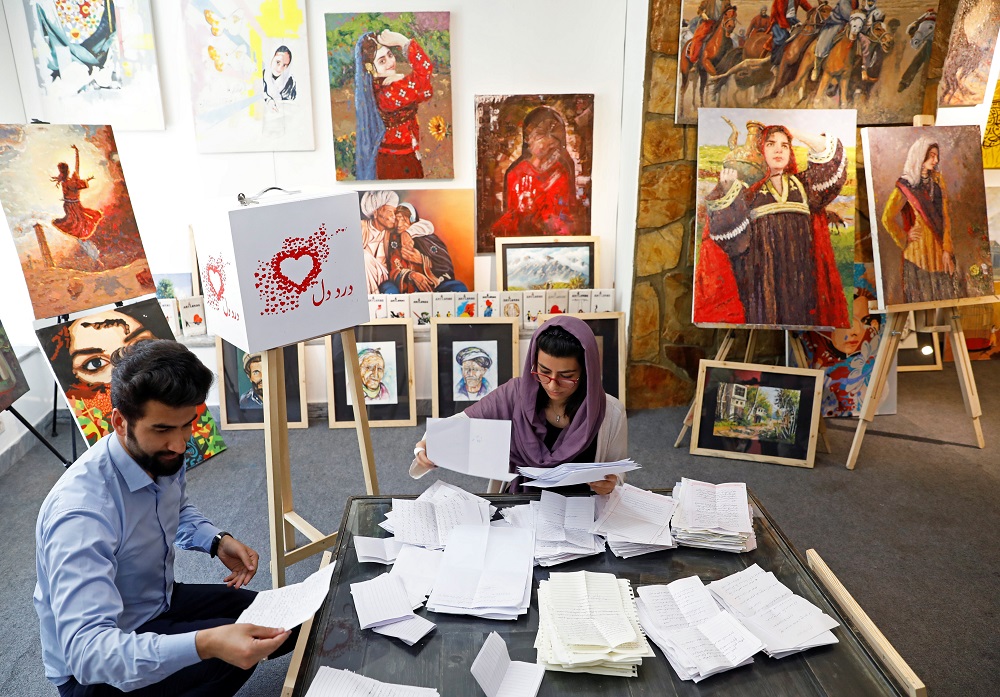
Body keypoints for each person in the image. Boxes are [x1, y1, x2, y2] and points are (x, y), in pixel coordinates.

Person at [34, 340, 295, 696]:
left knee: (279, 625)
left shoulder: (159, 454)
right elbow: (88, 653)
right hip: (93, 675)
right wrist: (205, 644)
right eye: (162, 430)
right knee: (230, 653)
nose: (179, 443)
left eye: (187, 424)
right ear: (120, 422)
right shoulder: (80, 515)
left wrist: (215, 540)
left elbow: (174, 505)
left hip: (154, 601)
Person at [411, 316, 627, 495]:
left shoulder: (610, 412)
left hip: (581, 505)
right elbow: (461, 423)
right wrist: (426, 444)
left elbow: (616, 472)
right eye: (543, 371)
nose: (552, 384)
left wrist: (610, 483)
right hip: (522, 502)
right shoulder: (515, 394)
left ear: (587, 372)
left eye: (567, 376)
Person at [696, 124, 850, 327]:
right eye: (771, 144)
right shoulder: (748, 192)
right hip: (760, 284)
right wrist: (727, 191)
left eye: (785, 145)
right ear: (760, 151)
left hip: (801, 279)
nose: (779, 150)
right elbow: (733, 243)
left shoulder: (803, 186)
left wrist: (797, 133)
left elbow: (831, 166)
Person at [880, 136, 956, 304]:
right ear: (920, 156)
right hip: (917, 257)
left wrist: (947, 249)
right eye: (931, 155)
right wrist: (905, 236)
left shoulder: (938, 181)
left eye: (936, 156)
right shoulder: (906, 185)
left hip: (939, 255)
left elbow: (946, 217)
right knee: (919, 302)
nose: (935, 160)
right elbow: (887, 218)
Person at [353, 29, 435, 180]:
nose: (390, 62)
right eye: (382, 61)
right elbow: (424, 73)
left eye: (390, 55)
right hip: (397, 162)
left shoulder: (386, 86)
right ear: (371, 69)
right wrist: (402, 41)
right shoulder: (387, 94)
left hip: (406, 155)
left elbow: (427, 91)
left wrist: (401, 79)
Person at [490, 107, 579, 239]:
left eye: (553, 136)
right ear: (528, 139)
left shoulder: (561, 172)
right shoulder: (515, 173)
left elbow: (567, 214)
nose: (546, 142)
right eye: (540, 135)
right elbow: (511, 216)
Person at [384, 202, 467, 293]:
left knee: (459, 287)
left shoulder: (426, 238)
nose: (399, 225)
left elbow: (444, 263)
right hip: (407, 284)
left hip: (433, 283)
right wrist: (412, 275)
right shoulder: (394, 240)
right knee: (387, 289)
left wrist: (423, 260)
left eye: (403, 220)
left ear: (412, 221)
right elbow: (394, 267)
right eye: (397, 220)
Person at [52, 145, 103, 263]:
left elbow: (77, 175)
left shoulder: (65, 181)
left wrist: (77, 152)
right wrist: (77, 152)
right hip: (75, 208)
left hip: (70, 207)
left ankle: (96, 257)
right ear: (68, 171)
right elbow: (77, 168)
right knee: (81, 233)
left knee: (81, 233)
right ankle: (96, 258)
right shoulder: (72, 182)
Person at [360, 190, 398, 293]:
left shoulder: (391, 232)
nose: (393, 217)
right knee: (364, 256)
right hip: (360, 275)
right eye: (389, 212)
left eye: (394, 212)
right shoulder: (361, 226)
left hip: (384, 276)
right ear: (376, 213)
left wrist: (409, 233)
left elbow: (425, 225)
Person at [769, 0, 815, 66]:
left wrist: (814, 11)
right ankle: (775, 63)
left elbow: (806, 5)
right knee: (781, 39)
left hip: (792, 19)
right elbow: (780, 13)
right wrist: (786, 27)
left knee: (803, 34)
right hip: (778, 20)